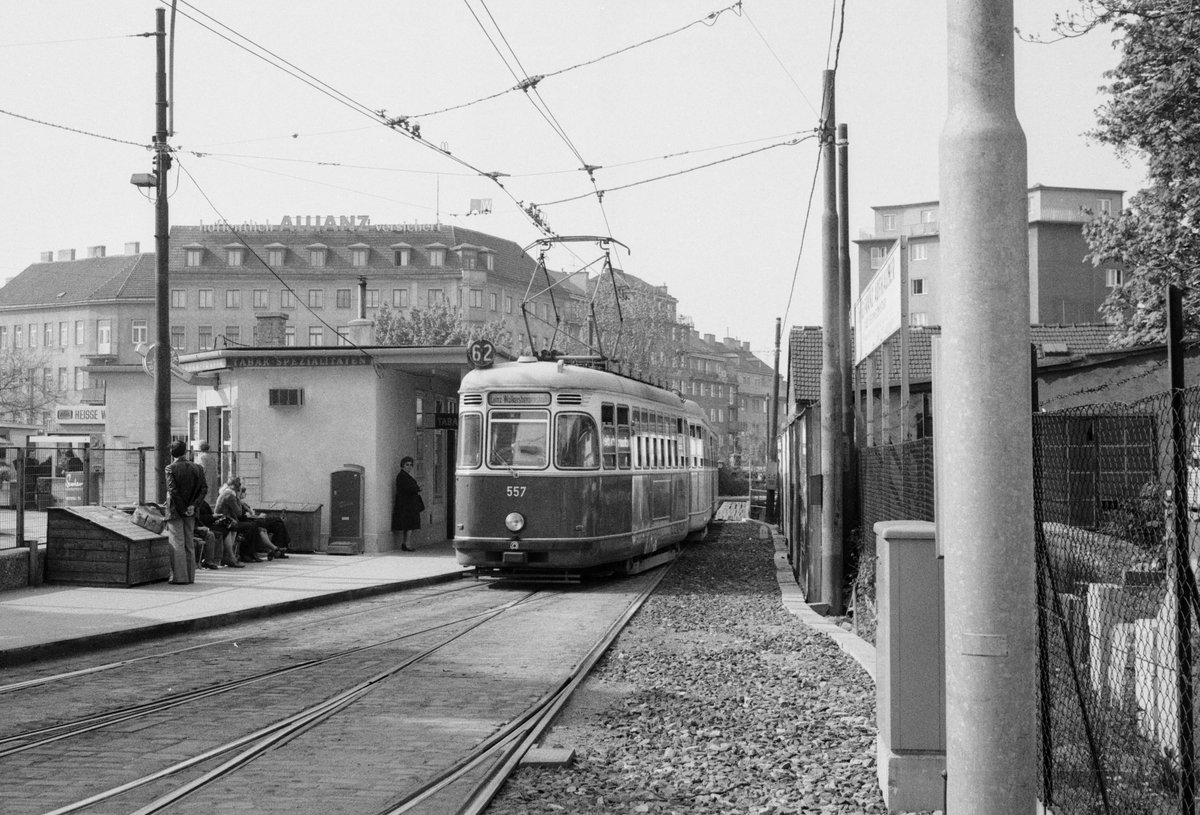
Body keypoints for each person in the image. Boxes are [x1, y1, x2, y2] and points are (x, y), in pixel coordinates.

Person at [165, 439, 207, 585]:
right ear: (185, 452)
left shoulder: (170, 468)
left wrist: (183, 508)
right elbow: (204, 489)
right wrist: (193, 506)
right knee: (189, 542)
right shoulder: (197, 468)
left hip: (176, 511)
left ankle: (180, 577)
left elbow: (173, 491)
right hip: (191, 511)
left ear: (172, 453)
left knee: (177, 542)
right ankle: (190, 576)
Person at [215, 476, 280, 562]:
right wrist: (238, 499)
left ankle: (251, 554)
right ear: (235, 487)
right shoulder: (229, 495)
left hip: (227, 519)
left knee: (253, 526)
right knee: (250, 527)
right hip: (224, 520)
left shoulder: (226, 493)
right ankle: (245, 554)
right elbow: (239, 512)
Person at [238, 487, 290, 557]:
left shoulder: (243, 503)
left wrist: (257, 515)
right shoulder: (238, 503)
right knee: (277, 520)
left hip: (255, 519)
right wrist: (258, 516)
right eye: (243, 492)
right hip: (253, 521)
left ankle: (279, 550)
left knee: (279, 524)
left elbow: (250, 514)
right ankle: (280, 548)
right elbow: (245, 516)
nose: (245, 494)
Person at [391, 456, 424, 551]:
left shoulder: (406, 476)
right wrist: (418, 488)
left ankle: (406, 543)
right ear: (402, 466)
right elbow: (408, 489)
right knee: (409, 525)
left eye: (410, 465)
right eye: (407, 465)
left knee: (409, 526)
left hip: (409, 504)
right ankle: (407, 544)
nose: (409, 467)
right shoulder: (402, 476)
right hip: (406, 505)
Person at [198, 498, 242, 567]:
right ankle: (230, 557)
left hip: (209, 521)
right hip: (204, 524)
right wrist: (212, 516)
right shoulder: (197, 503)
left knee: (232, 528)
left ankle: (228, 556)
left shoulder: (202, 502)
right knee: (224, 530)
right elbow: (199, 518)